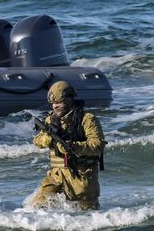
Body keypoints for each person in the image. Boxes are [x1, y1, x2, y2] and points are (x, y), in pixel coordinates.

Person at [31, 81, 106, 210]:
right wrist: (48, 138)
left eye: (58, 102)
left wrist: (73, 146)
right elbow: (37, 141)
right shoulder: (51, 120)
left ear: (69, 99)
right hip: (56, 175)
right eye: (53, 103)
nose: (54, 106)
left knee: (87, 216)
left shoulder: (87, 119)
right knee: (37, 207)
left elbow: (98, 145)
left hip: (81, 177)